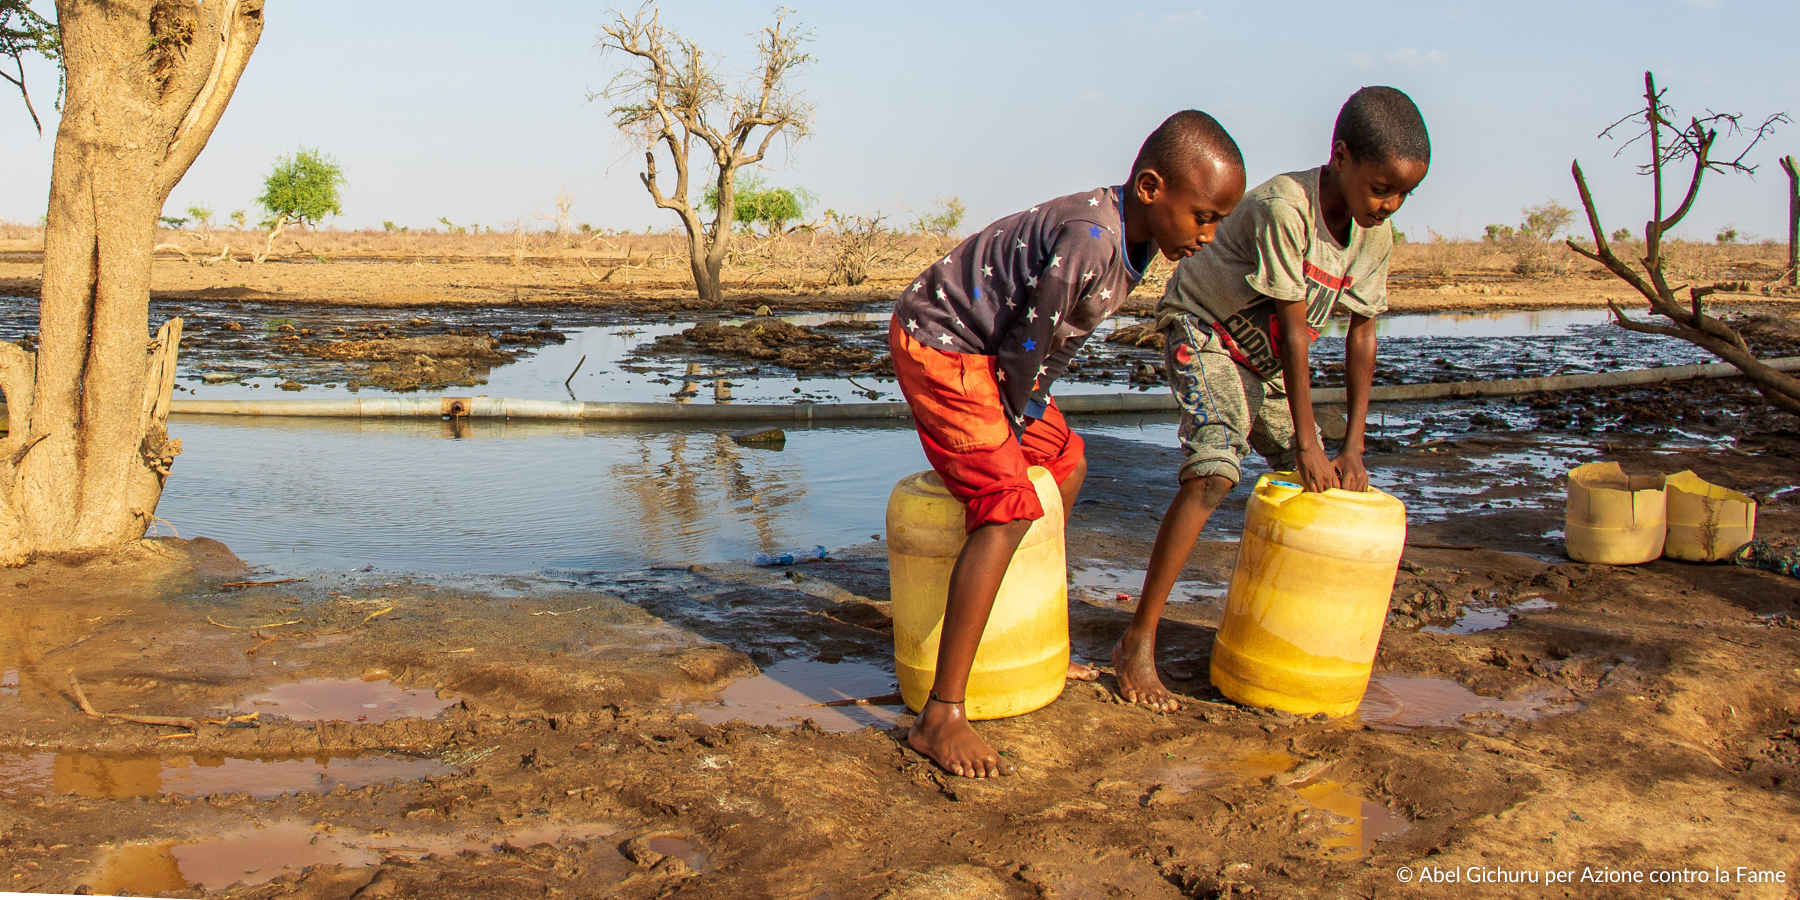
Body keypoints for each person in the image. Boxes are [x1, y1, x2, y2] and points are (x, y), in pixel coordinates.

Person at [890, 110, 1247, 777]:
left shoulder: (1134, 247)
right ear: (1150, 188)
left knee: (1067, 461)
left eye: (1220, 220)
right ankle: (941, 713)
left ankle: (1036, 634)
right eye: (1203, 216)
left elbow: (1052, 343)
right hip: (943, 342)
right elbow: (1027, 343)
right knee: (1007, 504)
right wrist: (1008, 426)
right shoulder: (1091, 238)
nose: (1210, 234)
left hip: (998, 357)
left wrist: (1026, 419)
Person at [1113, 86, 1432, 711]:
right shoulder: (1288, 207)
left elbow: (1362, 336)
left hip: (1264, 362)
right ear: (1340, 156)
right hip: (1205, 330)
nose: (1389, 204)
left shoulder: (1376, 237)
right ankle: (1138, 639)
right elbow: (1293, 328)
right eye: (1380, 187)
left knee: (1333, 487)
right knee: (1215, 468)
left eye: (1403, 194)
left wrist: (1351, 445)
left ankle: (1288, 635)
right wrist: (1308, 442)